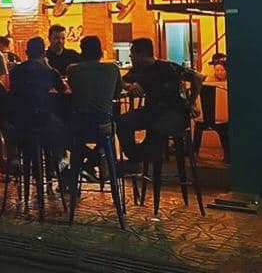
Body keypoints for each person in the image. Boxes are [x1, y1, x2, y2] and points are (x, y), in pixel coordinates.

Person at [117, 37, 204, 168]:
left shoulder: (167, 67)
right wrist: (129, 86)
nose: (130, 56)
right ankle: (136, 157)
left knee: (155, 128)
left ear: (142, 54)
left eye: (132, 53)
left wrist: (191, 103)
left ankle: (140, 157)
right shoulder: (138, 70)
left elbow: (198, 77)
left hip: (175, 113)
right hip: (153, 112)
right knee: (121, 122)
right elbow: (121, 81)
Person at [66, 36, 123, 179]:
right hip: (104, 125)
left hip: (79, 125)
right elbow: (117, 93)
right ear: (100, 51)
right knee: (109, 130)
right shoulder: (113, 69)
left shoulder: (72, 70)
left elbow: (72, 90)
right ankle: (100, 157)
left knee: (63, 135)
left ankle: (89, 161)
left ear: (82, 51)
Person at [9, 37, 68, 169]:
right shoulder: (49, 72)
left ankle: (19, 159)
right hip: (43, 119)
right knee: (63, 128)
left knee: (31, 130)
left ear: (26, 53)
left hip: (19, 121)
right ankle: (60, 163)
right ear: (44, 53)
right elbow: (63, 89)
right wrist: (48, 66)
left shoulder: (15, 72)